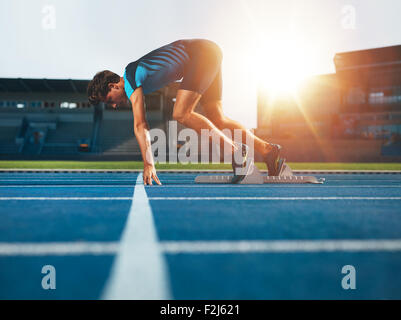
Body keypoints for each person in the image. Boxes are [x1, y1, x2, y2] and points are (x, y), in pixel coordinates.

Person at [87, 39, 282, 185]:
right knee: (218, 118)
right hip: (206, 53)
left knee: (181, 113)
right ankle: (268, 150)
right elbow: (168, 67)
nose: (114, 105)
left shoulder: (130, 80)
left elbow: (140, 125)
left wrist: (148, 163)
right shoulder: (135, 72)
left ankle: (237, 151)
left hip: (200, 55)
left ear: (113, 86)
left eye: (110, 100)